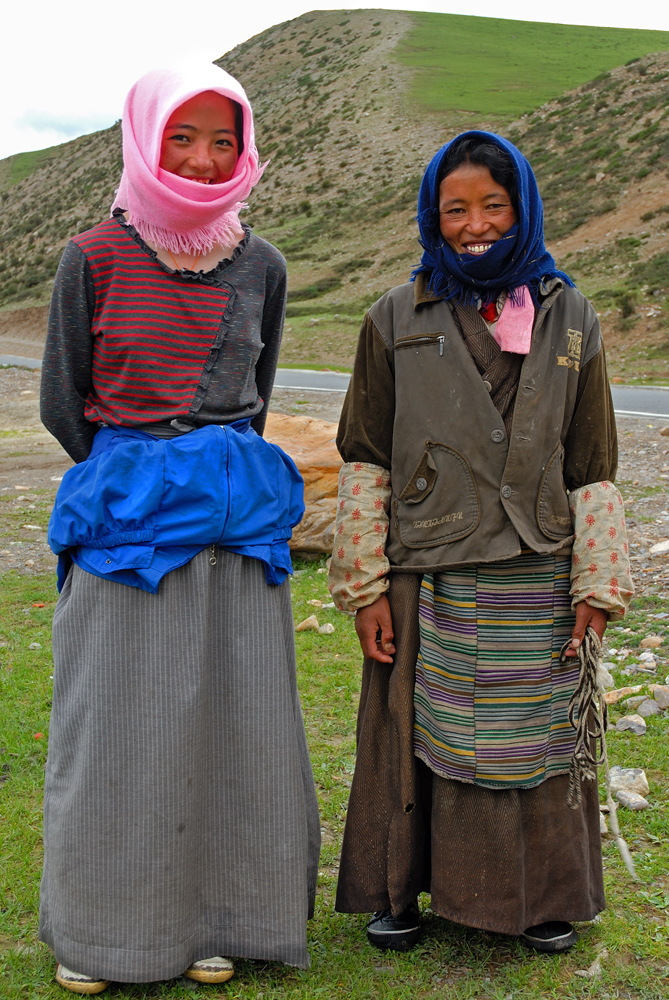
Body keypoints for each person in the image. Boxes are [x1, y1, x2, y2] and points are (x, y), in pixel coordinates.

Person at [39, 64, 320, 994]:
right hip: (128, 519)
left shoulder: (264, 264)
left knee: (233, 722)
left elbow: (256, 394)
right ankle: (101, 933)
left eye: (223, 141)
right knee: (115, 723)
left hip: (235, 520)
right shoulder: (93, 256)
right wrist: (144, 470)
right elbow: (63, 402)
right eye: (182, 139)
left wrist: (208, 468)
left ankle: (217, 920)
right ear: (144, 141)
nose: (204, 160)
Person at [328, 131, 633, 955]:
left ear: (523, 207)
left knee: (535, 733)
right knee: (409, 733)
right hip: (425, 569)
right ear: (432, 216)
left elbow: (593, 463)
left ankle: (542, 899)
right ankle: (402, 892)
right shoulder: (396, 315)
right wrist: (361, 586)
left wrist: (596, 588)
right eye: (453, 208)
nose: (473, 224)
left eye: (491, 205)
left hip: (539, 565)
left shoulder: (571, 316)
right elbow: (363, 453)